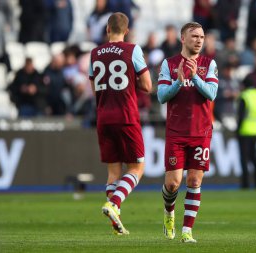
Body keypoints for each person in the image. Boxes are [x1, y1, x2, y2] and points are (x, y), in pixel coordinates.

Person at [88, 12, 152, 235]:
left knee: (113, 171)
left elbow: (94, 87)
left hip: (103, 117)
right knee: (137, 168)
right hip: (125, 115)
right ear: (126, 31)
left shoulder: (94, 53)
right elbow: (147, 85)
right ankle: (113, 204)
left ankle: (116, 223)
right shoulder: (132, 49)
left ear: (107, 29)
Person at [157, 22, 218, 243]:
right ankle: (168, 212)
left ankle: (187, 231)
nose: (199, 40)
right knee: (173, 183)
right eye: (194, 36)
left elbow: (211, 93)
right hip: (176, 131)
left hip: (201, 132)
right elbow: (162, 96)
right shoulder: (169, 64)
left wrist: (194, 77)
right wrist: (178, 81)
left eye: (202, 36)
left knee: (194, 181)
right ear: (183, 39)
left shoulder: (208, 64)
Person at [236, 75, 256, 189]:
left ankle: (245, 184)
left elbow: (241, 115)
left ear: (244, 85)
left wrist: (237, 129)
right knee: (254, 158)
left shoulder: (244, 96)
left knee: (244, 159)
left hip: (244, 131)